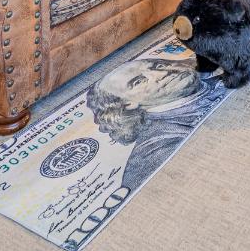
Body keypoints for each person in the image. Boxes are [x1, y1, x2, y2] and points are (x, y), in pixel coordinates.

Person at [85, 56, 227, 193]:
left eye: (158, 65)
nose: (162, 73)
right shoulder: (155, 149)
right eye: (139, 82)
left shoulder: (223, 74)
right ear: (128, 104)